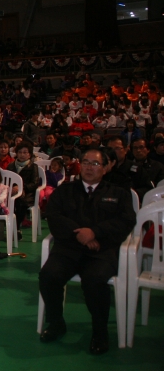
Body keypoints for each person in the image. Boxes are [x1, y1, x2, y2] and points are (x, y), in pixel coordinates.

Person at [39, 149, 136, 355]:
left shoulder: (118, 193)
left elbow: (126, 221)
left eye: (95, 164)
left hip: (101, 251)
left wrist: (95, 232)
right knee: (49, 275)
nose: (89, 167)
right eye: (85, 162)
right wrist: (79, 235)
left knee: (95, 281)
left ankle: (100, 332)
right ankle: (56, 322)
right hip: (69, 249)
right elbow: (53, 216)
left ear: (105, 168)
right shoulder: (65, 191)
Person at [6, 141, 40, 241]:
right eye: (20, 152)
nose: (22, 155)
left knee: (20, 201)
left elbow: (35, 183)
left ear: (30, 154)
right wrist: (12, 189)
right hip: (11, 193)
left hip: (27, 194)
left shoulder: (33, 167)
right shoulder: (10, 166)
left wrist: (21, 188)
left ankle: (16, 228)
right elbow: (7, 181)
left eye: (25, 152)